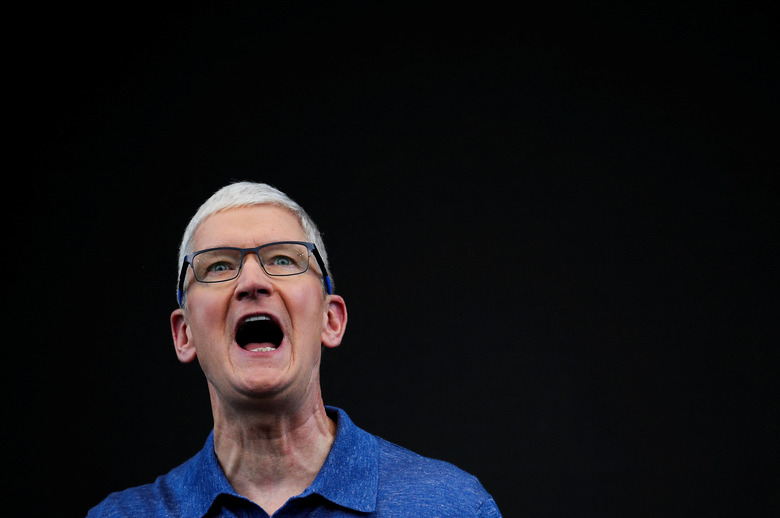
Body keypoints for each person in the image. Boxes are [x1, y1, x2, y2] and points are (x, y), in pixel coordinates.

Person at [88, 181, 501, 517]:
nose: (252, 282)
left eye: (284, 260)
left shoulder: (455, 507)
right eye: (218, 265)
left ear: (330, 319)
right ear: (184, 334)